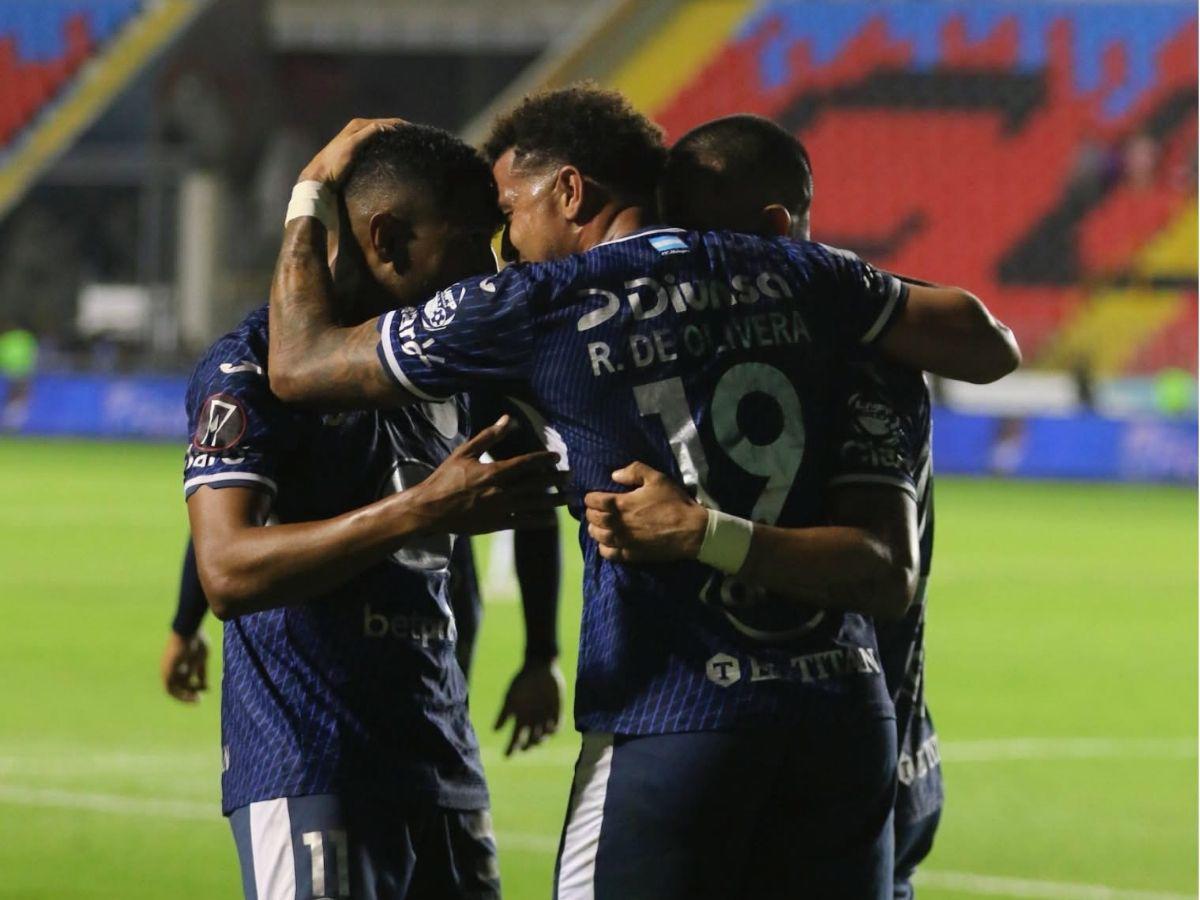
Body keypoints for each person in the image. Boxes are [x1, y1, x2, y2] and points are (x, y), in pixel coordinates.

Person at [266, 87, 1018, 900]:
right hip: (847, 719)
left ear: (571, 193)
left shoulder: (535, 305)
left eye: (510, 213)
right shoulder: (806, 272)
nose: (504, 246)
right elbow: (988, 346)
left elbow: (300, 365)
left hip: (673, 715)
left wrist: (311, 187)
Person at [184, 123, 567, 900]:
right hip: (314, 764)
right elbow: (225, 570)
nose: (485, 269)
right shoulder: (249, 366)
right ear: (388, 239)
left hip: (443, 766)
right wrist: (416, 511)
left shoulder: (449, 369)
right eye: (468, 243)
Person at [587, 113, 945, 898]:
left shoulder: (857, 347)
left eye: (709, 241)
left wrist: (699, 532)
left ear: (773, 231)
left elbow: (884, 572)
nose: (695, 271)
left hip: (822, 740)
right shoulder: (856, 329)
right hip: (860, 736)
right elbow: (989, 342)